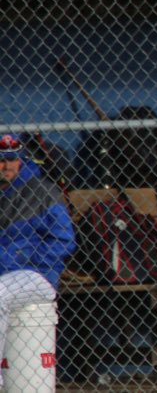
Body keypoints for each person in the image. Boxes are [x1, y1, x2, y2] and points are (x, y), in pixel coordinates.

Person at [0, 133, 76, 391]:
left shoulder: (41, 190)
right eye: (1, 160)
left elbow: (65, 240)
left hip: (37, 275)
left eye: (12, 160)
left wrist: (26, 259)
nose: (7, 166)